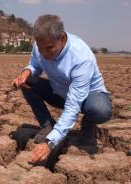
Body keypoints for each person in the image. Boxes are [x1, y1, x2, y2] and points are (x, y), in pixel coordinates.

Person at [13, 15, 112, 163]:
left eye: (49, 48)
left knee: (100, 110)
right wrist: (26, 72)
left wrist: (49, 143)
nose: (44, 54)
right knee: (27, 81)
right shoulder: (40, 44)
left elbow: (73, 105)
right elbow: (35, 64)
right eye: (41, 49)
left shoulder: (81, 58)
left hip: (87, 97)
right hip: (58, 92)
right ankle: (47, 126)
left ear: (63, 38)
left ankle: (88, 127)